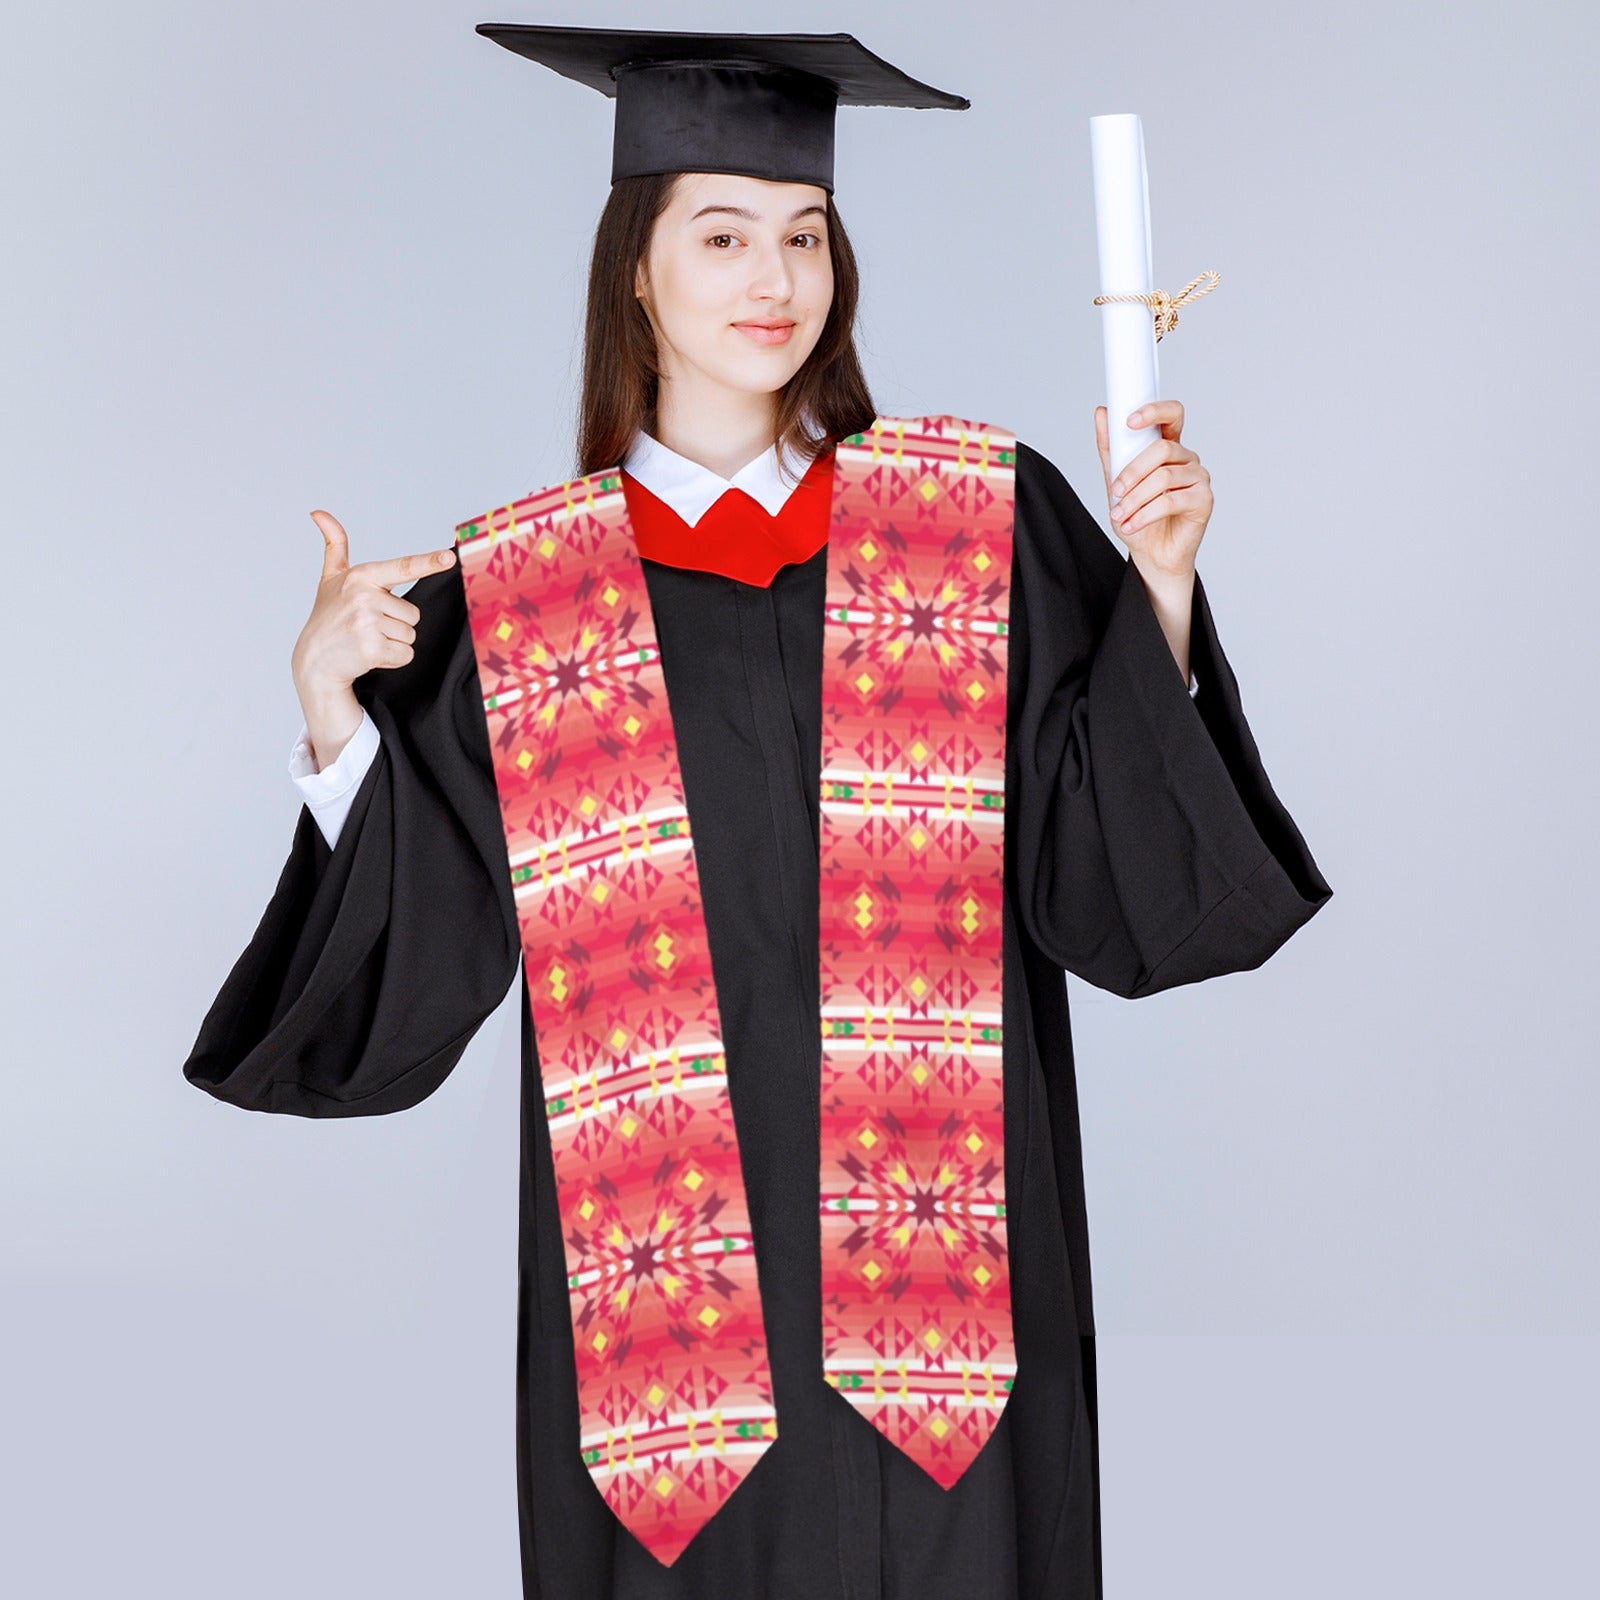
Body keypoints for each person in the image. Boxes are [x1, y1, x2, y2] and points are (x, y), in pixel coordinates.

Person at [183, 23, 1333, 1599]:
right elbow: (418, 956)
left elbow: (1111, 881)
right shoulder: (524, 592)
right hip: (669, 1379)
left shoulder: (973, 520)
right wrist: (332, 715)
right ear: (635, 273)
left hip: (953, 1333)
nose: (772, 276)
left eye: (804, 235)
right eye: (719, 235)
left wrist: (1165, 594)